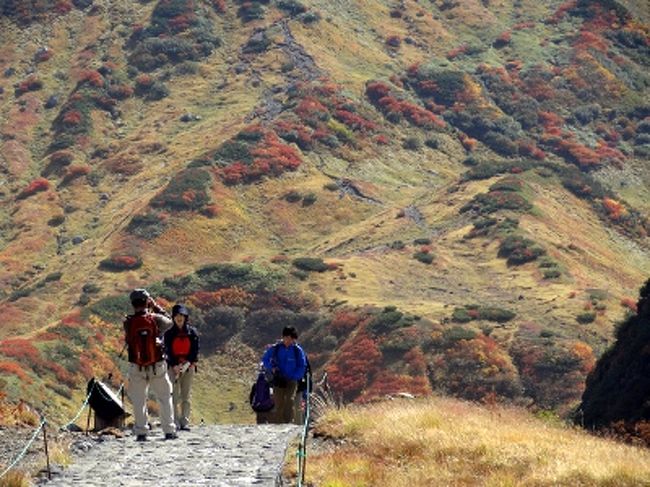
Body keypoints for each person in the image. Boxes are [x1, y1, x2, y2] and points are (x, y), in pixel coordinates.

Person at [123, 288, 177, 441]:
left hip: (136, 366)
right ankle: (169, 430)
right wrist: (156, 307)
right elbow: (171, 322)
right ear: (147, 301)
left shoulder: (128, 322)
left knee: (139, 400)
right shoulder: (156, 319)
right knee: (165, 397)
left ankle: (141, 432)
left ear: (132, 304)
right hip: (157, 364)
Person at [163, 304, 199, 431]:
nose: (179, 318)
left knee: (186, 395)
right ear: (173, 317)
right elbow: (167, 351)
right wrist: (174, 365)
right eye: (177, 316)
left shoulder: (192, 332)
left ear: (185, 317)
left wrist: (187, 363)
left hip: (188, 367)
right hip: (173, 368)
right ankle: (175, 421)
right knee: (173, 395)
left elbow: (195, 351)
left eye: (181, 316)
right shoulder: (168, 334)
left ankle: (185, 421)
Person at [261, 326, 307, 423]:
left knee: (289, 400)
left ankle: (288, 423)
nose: (288, 341)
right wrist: (271, 368)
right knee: (279, 403)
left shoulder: (297, 350)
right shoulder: (275, 348)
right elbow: (265, 359)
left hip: (292, 380)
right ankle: (279, 425)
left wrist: (295, 377)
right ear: (283, 337)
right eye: (287, 338)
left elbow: (302, 366)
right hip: (278, 380)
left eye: (291, 339)